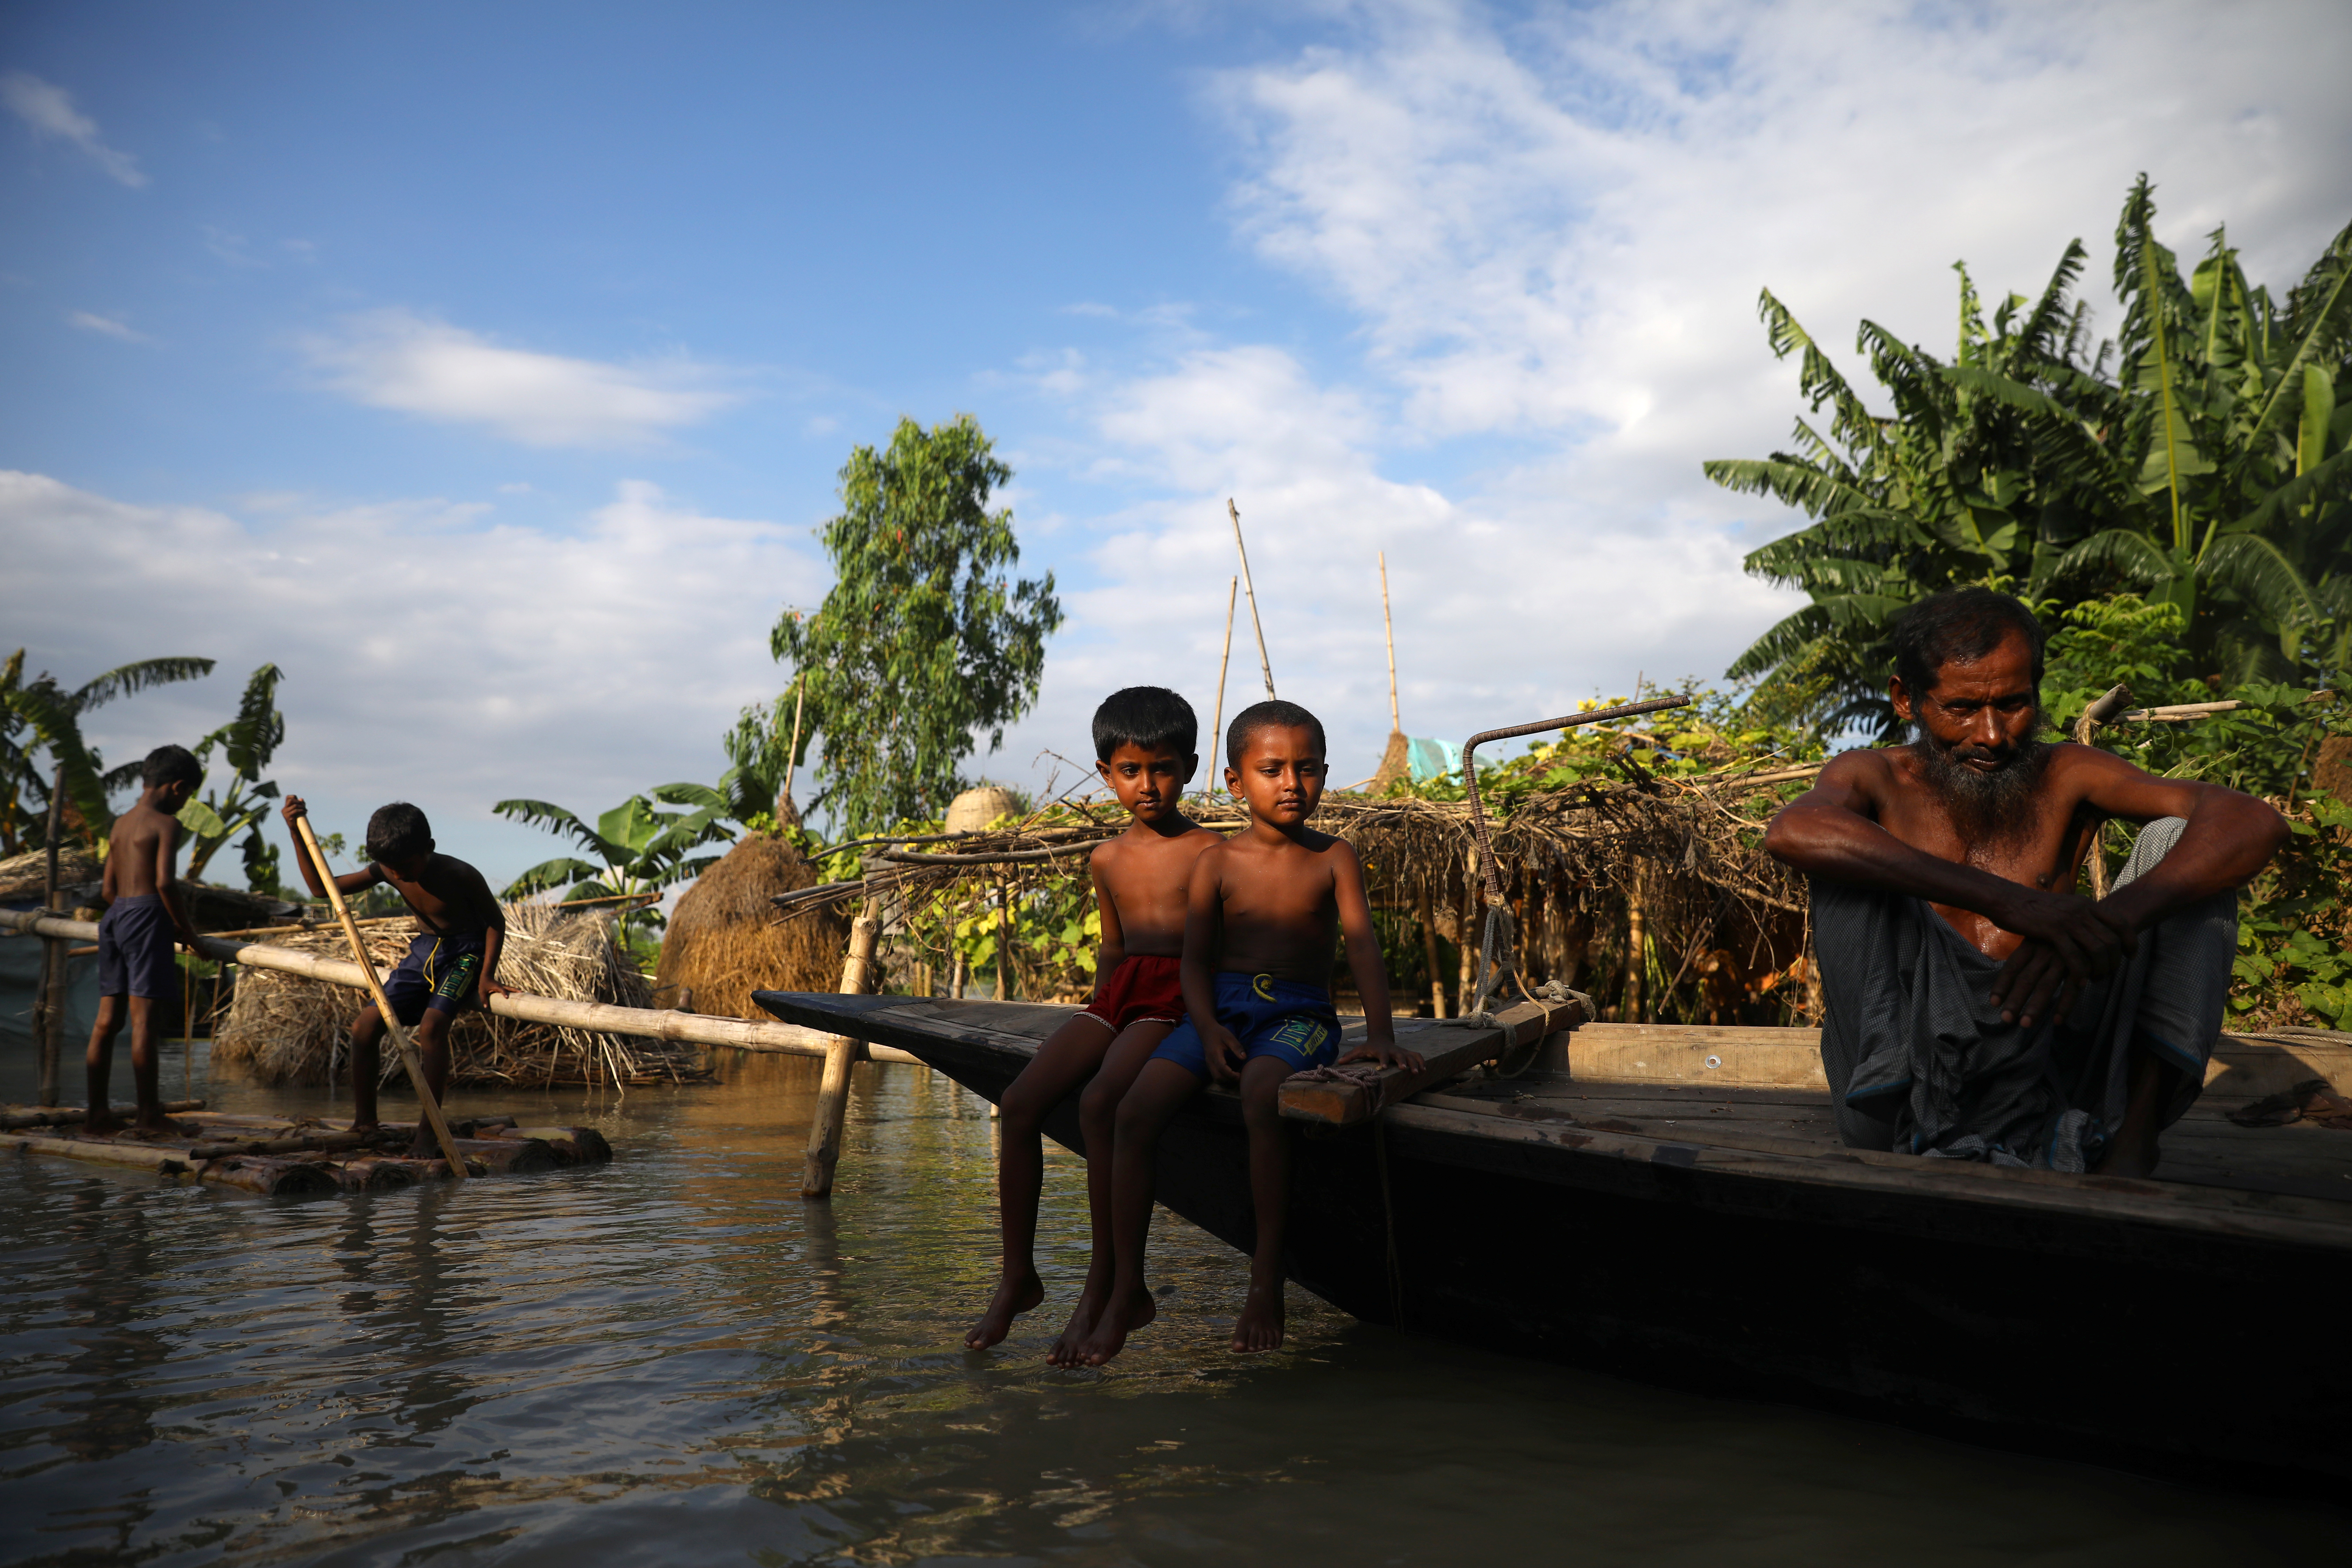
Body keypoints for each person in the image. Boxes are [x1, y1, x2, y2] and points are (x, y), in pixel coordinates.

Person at [1763, 588, 2288, 1175]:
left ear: (2037, 690)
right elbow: (1791, 831)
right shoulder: (1875, 776)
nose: (1991, 735)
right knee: (1842, 854)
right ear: (1906, 699)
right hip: (1900, 1093)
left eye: (2013, 704)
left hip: (2055, 1073)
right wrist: (2011, 903)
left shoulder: (2065, 773)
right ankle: (1907, 1137)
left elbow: (2252, 818)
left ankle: (2132, 1143)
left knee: (2184, 842)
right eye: (1961, 709)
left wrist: (2110, 919)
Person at [1077, 699, 1423, 1363]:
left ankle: (1266, 1281)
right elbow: (1194, 963)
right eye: (1272, 770)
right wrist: (1204, 1029)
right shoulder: (1217, 864)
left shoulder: (1333, 858)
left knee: (1264, 1092)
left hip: (1297, 1014)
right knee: (1134, 1110)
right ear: (1237, 782)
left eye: (1308, 769)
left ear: (1324, 774)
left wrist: (1380, 1034)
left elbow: (1363, 950)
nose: (1292, 783)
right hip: (1223, 1010)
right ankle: (1127, 1288)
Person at [963, 686, 1223, 1357]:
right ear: (1106, 773)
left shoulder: (1213, 854)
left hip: (1178, 998)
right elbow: (1114, 948)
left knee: (1104, 1099)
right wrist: (1097, 1016)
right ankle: (1018, 1277)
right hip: (1123, 994)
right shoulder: (1106, 859)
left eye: (1162, 768)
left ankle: (1111, 1284)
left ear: (1189, 769)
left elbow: (1218, 952)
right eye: (1130, 770)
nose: (1147, 784)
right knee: (1020, 1101)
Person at [282, 796, 510, 1146]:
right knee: (365, 1026)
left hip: (466, 952)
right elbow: (320, 888)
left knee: (432, 1029)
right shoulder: (387, 869)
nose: (399, 875)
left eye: (405, 866)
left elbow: (495, 921)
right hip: (424, 952)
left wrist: (487, 974)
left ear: (429, 849)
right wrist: (296, 832)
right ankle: (365, 1122)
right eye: (391, 868)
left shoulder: (459, 874)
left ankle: (429, 1130)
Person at [82, 745, 205, 1135]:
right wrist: (184, 929)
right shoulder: (167, 825)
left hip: (115, 916)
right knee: (144, 1023)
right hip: (147, 914)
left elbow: (107, 890)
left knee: (106, 1022)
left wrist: (130, 911)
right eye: (186, 796)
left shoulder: (120, 825)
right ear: (177, 787)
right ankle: (149, 1115)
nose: (184, 804)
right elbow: (165, 882)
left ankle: (97, 1115)